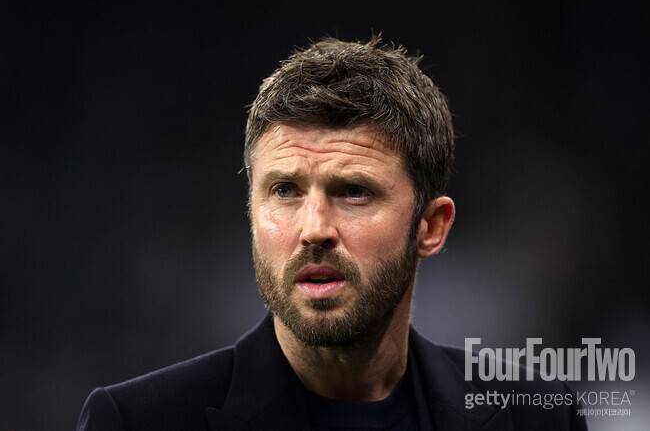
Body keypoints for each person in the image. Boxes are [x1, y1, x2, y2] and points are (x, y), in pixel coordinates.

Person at [77, 37, 587, 431]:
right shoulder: (136, 422)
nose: (314, 229)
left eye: (354, 192)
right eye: (284, 191)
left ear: (431, 227)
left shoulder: (540, 418)